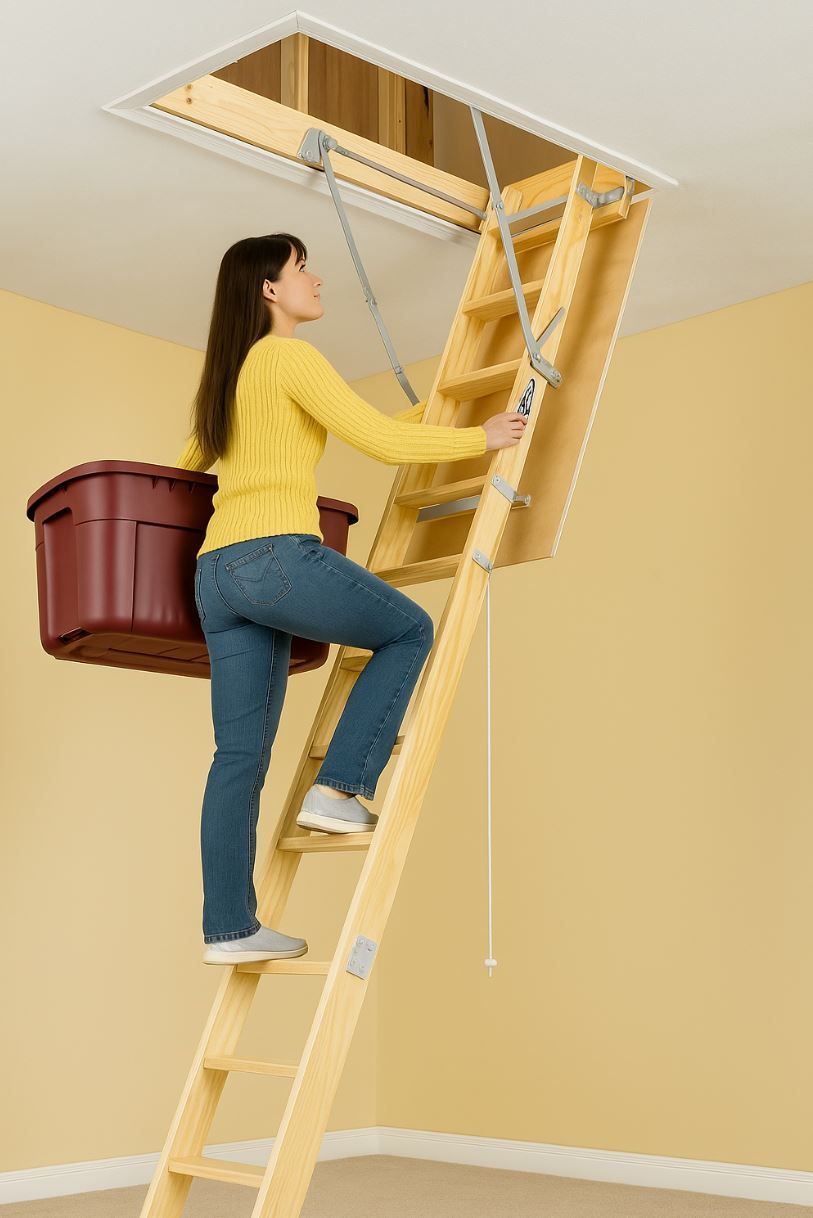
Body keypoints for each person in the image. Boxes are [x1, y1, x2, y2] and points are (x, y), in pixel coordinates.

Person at [174, 232, 528, 965]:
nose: (317, 280)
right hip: (274, 556)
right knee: (408, 630)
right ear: (269, 288)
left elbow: (185, 469)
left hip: (217, 574)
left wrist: (441, 417)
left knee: (237, 757)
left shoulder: (229, 377)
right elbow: (381, 444)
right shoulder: (289, 357)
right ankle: (337, 790)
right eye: (303, 269)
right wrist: (482, 437)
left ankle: (229, 929)